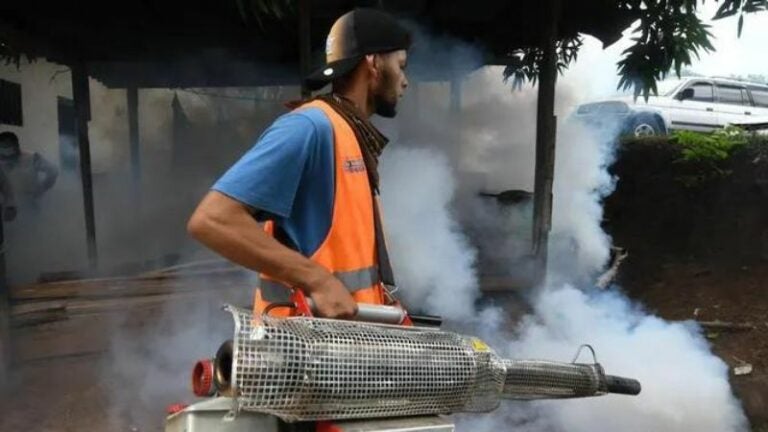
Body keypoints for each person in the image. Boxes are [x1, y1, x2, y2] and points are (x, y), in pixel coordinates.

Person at [188, 8, 410, 319]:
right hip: (302, 356)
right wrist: (317, 280)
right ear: (373, 64)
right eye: (401, 66)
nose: (405, 81)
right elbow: (212, 220)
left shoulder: (349, 133)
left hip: (341, 351)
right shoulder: (309, 127)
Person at [0, 131, 59, 210]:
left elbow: (53, 171)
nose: (4, 150)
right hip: (7, 205)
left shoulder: (31, 157)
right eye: (2, 146)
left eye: (7, 146)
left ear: (15, 146)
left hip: (30, 202)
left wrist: (42, 187)